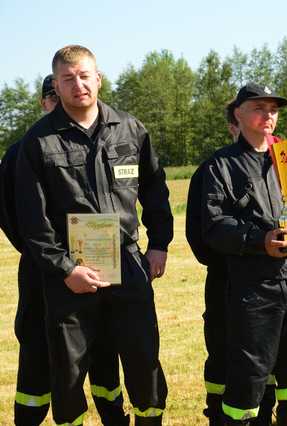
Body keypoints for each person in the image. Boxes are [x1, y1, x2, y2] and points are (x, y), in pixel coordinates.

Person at [14, 45, 172, 425]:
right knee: (69, 372)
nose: (78, 85)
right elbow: (32, 221)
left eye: (85, 76)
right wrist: (65, 268)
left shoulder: (131, 129)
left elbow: (154, 189)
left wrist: (160, 245)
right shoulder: (38, 143)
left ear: (98, 78)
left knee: (143, 357)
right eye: (67, 79)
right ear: (56, 84)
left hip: (129, 265)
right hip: (70, 275)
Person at [201, 83, 287, 426]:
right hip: (255, 286)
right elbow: (214, 224)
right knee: (249, 378)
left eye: (274, 109)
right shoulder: (222, 166)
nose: (269, 115)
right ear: (239, 114)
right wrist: (260, 241)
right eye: (259, 108)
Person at [0, 74, 126, 426]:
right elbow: (13, 217)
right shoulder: (23, 151)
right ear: (45, 102)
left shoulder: (99, 141)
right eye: (54, 99)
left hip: (100, 269)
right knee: (39, 355)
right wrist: (49, 256)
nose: (63, 105)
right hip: (45, 273)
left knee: (104, 349)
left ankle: (113, 413)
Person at [186, 99, 276, 425]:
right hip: (227, 280)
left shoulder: (282, 164)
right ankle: (218, 413)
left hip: (271, 281)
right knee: (225, 354)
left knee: (267, 358)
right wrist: (232, 258)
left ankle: (265, 412)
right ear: (233, 126)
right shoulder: (212, 171)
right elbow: (201, 235)